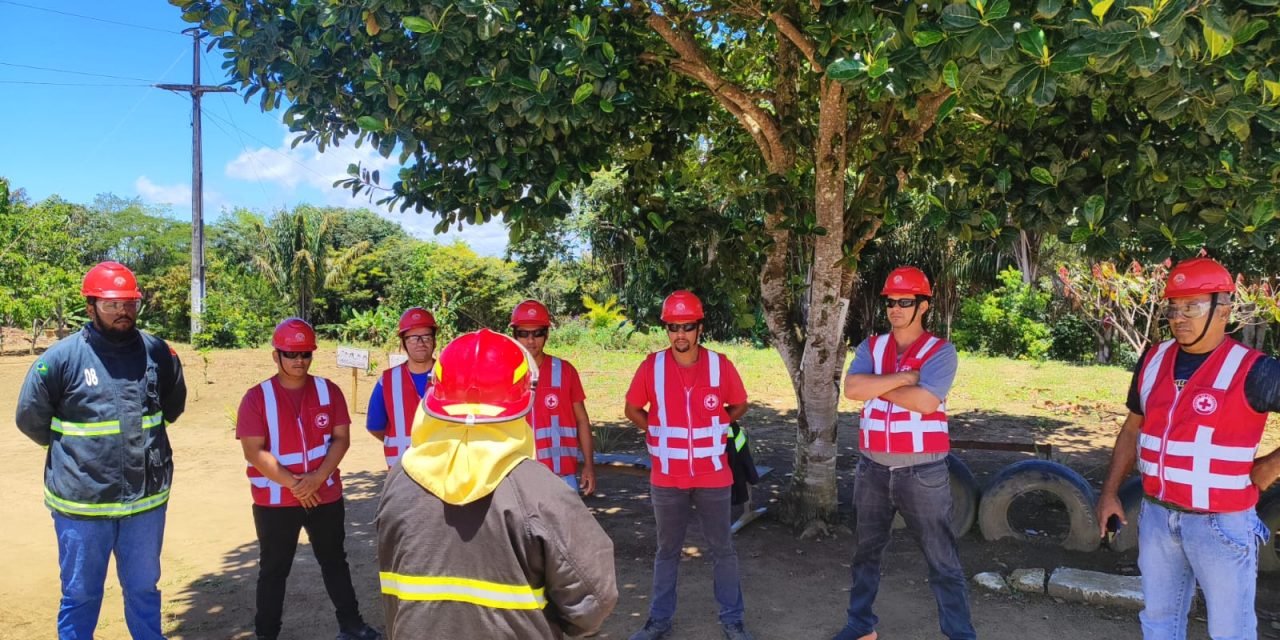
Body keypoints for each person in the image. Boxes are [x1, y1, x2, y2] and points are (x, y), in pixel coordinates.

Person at [376, 328, 618, 638]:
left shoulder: (400, 479)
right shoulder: (539, 492)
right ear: (524, 400)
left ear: (434, 398)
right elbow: (595, 600)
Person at [1096, 256, 1280, 640]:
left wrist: (1270, 467)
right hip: (1158, 519)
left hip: (1222, 524)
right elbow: (1133, 428)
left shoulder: (1256, 370)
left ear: (1223, 309)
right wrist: (1110, 493)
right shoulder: (1153, 359)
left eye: (1192, 306)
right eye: (1173, 307)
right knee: (1159, 623)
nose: (1179, 317)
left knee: (1231, 631)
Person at [16, 261, 187, 639]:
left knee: (144, 589)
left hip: (145, 504)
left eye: (129, 303)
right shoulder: (60, 360)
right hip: (82, 507)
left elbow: (171, 409)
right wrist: (80, 455)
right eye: (111, 304)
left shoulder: (159, 353)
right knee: (80, 594)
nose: (122, 311)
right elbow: (30, 420)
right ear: (90, 306)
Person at [835, 266, 974, 640]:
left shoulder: (940, 352)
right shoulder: (871, 346)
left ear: (923, 305)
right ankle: (860, 627)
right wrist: (901, 379)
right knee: (866, 554)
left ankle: (961, 635)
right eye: (890, 301)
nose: (895, 308)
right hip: (873, 469)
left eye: (905, 302)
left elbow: (926, 401)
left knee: (942, 560)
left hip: (922, 473)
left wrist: (876, 386)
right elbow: (851, 389)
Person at [236, 318, 380, 640]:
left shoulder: (329, 391)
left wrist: (316, 479)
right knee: (273, 572)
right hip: (275, 502)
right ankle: (266, 635)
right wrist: (297, 485)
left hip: (324, 495)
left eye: (305, 354)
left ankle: (352, 626)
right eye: (291, 354)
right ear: (276, 355)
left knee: (334, 562)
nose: (299, 361)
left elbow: (340, 438)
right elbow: (253, 451)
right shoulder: (256, 398)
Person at [624, 290, 754, 640]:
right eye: (672, 327)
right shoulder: (652, 366)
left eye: (687, 326)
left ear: (700, 328)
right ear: (666, 329)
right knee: (667, 551)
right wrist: (656, 429)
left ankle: (733, 620)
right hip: (667, 477)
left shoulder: (719, 365)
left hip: (714, 475)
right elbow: (632, 408)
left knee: (722, 549)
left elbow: (739, 404)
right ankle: (658, 621)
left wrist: (718, 423)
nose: (680, 335)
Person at [510, 299, 596, 494]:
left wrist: (589, 466)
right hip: (518, 477)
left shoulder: (565, 371)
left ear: (547, 334)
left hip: (561, 477)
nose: (530, 340)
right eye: (523, 334)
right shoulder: (504, 374)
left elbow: (582, 420)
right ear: (514, 335)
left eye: (537, 333)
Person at [367, 307, 437, 468]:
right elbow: (375, 427)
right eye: (413, 338)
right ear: (403, 342)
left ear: (434, 340)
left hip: (441, 471)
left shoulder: (450, 377)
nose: (421, 343)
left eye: (426, 336)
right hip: (402, 471)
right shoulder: (387, 381)